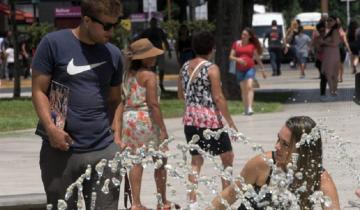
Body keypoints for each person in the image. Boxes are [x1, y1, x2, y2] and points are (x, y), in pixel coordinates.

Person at [31, 0, 123, 209]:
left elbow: (116, 100)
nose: (112, 31)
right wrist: (51, 129)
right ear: (87, 20)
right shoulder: (53, 43)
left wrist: (117, 137)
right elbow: (38, 91)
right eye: (107, 26)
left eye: (116, 25)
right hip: (61, 150)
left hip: (104, 150)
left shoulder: (114, 54)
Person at [209, 116, 340, 210]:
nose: (277, 146)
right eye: (278, 139)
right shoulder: (263, 164)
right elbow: (228, 196)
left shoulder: (320, 178)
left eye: (285, 144)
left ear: (303, 151)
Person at [112, 38, 179, 210]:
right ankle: (162, 201)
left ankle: (136, 203)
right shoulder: (149, 75)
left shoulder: (127, 75)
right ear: (143, 58)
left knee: (135, 161)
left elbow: (121, 101)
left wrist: (117, 131)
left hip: (130, 120)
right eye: (151, 55)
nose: (154, 58)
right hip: (146, 119)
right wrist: (163, 129)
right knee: (160, 159)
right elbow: (153, 104)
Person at [177, 31, 238, 210]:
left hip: (190, 119)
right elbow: (218, 98)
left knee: (196, 161)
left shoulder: (184, 67)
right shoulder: (211, 68)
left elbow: (181, 95)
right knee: (227, 157)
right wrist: (231, 122)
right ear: (211, 48)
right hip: (210, 119)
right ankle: (225, 199)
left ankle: (192, 201)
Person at [229, 27, 266, 115]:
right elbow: (230, 56)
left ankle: (250, 108)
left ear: (249, 36)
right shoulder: (236, 44)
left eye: (245, 35)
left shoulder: (252, 46)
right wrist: (238, 60)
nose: (243, 36)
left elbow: (257, 58)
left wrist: (262, 69)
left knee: (249, 86)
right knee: (243, 89)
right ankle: (245, 108)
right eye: (242, 34)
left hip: (250, 68)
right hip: (239, 69)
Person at [139, 17, 172, 92]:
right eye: (152, 22)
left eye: (155, 22)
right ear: (150, 23)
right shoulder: (146, 32)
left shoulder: (160, 31)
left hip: (160, 52)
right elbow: (141, 40)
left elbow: (165, 41)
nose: (153, 24)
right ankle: (153, 84)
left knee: (161, 69)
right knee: (152, 69)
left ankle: (161, 83)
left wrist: (169, 51)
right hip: (151, 53)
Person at [321, 15, 341, 97]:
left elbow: (335, 43)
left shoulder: (335, 31)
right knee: (331, 74)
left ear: (335, 22)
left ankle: (333, 91)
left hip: (332, 54)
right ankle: (333, 91)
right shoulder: (331, 31)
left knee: (330, 73)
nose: (328, 22)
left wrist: (324, 42)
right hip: (330, 54)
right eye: (327, 20)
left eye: (330, 20)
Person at [312, 21, 328, 101]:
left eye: (323, 31)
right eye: (320, 31)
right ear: (318, 31)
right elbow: (318, 49)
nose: (322, 32)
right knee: (323, 77)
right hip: (320, 61)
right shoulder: (317, 39)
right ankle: (322, 94)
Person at [336, 17, 351, 83]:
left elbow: (345, 41)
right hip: (336, 48)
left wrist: (349, 49)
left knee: (340, 64)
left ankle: (340, 77)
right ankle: (339, 77)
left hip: (340, 48)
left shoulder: (341, 30)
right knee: (338, 64)